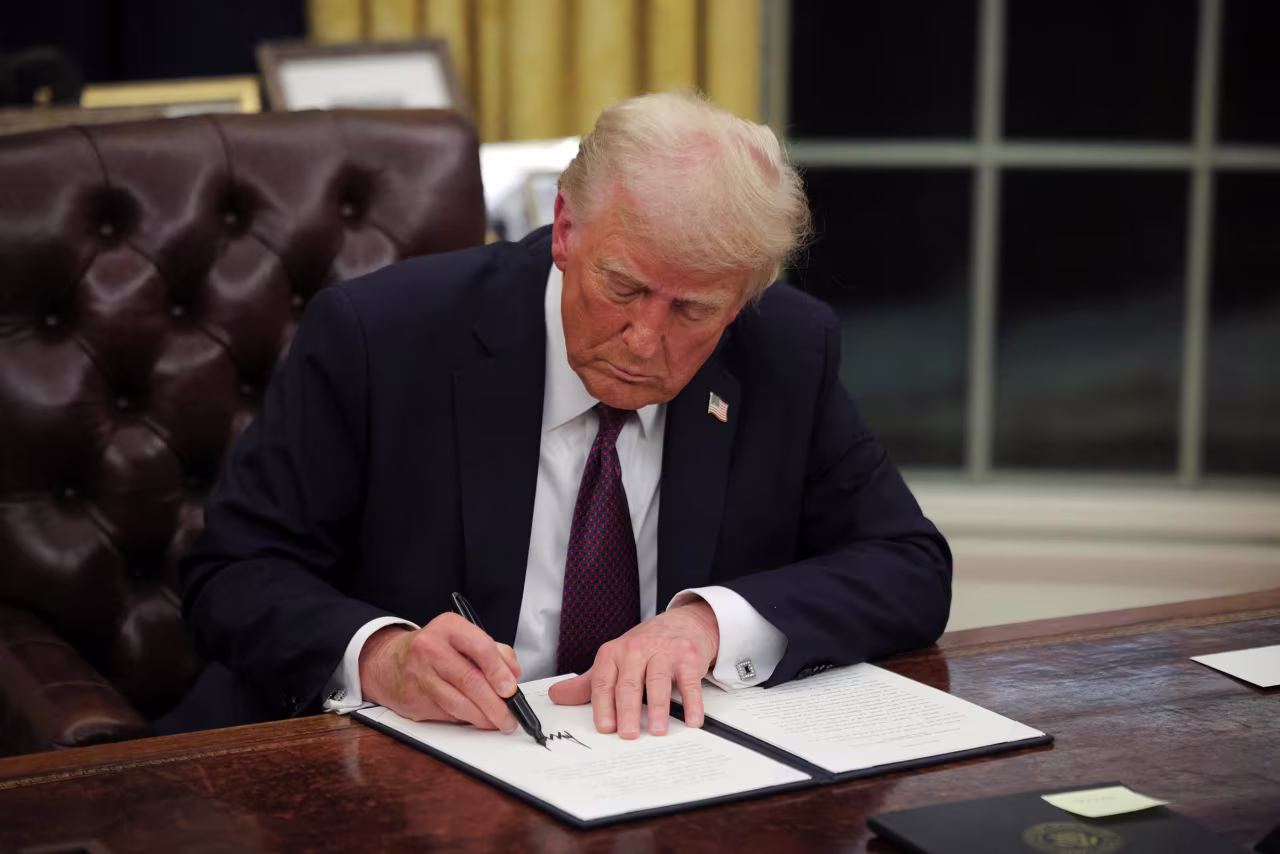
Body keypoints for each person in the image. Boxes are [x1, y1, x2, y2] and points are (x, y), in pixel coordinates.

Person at [178, 91, 951, 741]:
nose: (644, 340)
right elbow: (232, 573)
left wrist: (709, 627)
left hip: (662, 777)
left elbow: (909, 565)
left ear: (743, 301)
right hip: (401, 775)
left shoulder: (785, 349)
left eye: (693, 310)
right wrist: (382, 657)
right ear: (566, 229)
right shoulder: (380, 338)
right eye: (622, 287)